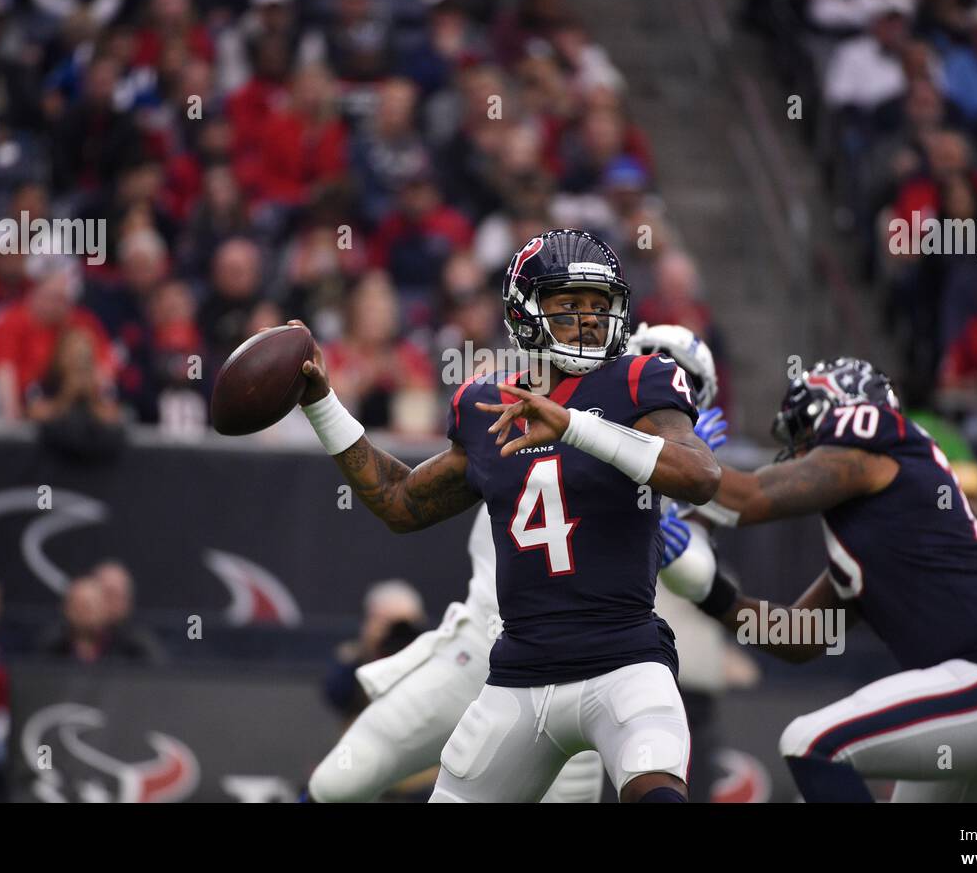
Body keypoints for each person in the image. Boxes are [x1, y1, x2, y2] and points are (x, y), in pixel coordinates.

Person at [291, 229, 720, 802]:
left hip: (623, 659)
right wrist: (322, 403)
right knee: (348, 782)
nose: (589, 321)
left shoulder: (639, 380)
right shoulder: (488, 403)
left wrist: (575, 427)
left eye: (599, 307)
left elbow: (701, 475)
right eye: (569, 307)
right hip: (518, 672)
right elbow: (401, 502)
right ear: (525, 311)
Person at [696, 357, 977, 802]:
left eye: (803, 431)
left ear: (841, 411)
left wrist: (667, 458)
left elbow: (751, 498)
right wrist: (713, 596)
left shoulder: (872, 432)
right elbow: (799, 636)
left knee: (813, 743)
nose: (798, 453)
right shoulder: (882, 524)